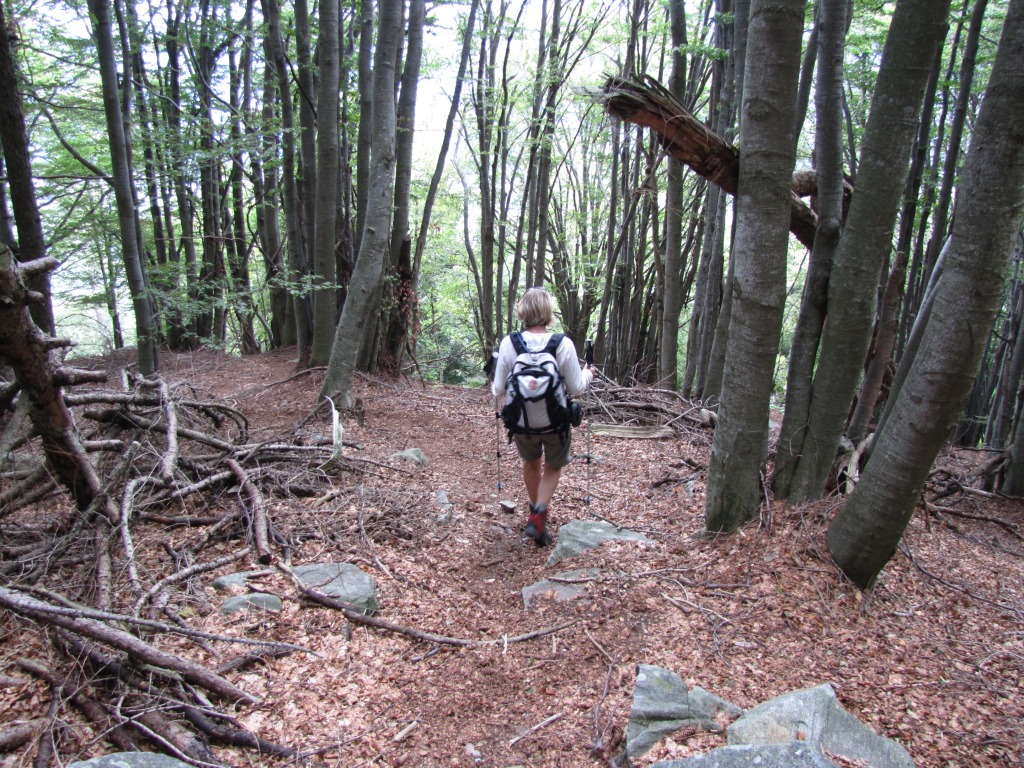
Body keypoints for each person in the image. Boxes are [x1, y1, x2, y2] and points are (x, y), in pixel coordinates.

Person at [492, 287, 596, 546]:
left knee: (531, 462)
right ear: (548, 313)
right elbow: (576, 388)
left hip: (522, 422)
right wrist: (588, 373)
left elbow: (499, 389)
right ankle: (539, 514)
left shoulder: (509, 343)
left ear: (523, 312)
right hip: (555, 422)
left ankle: (535, 513)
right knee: (553, 465)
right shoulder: (562, 343)